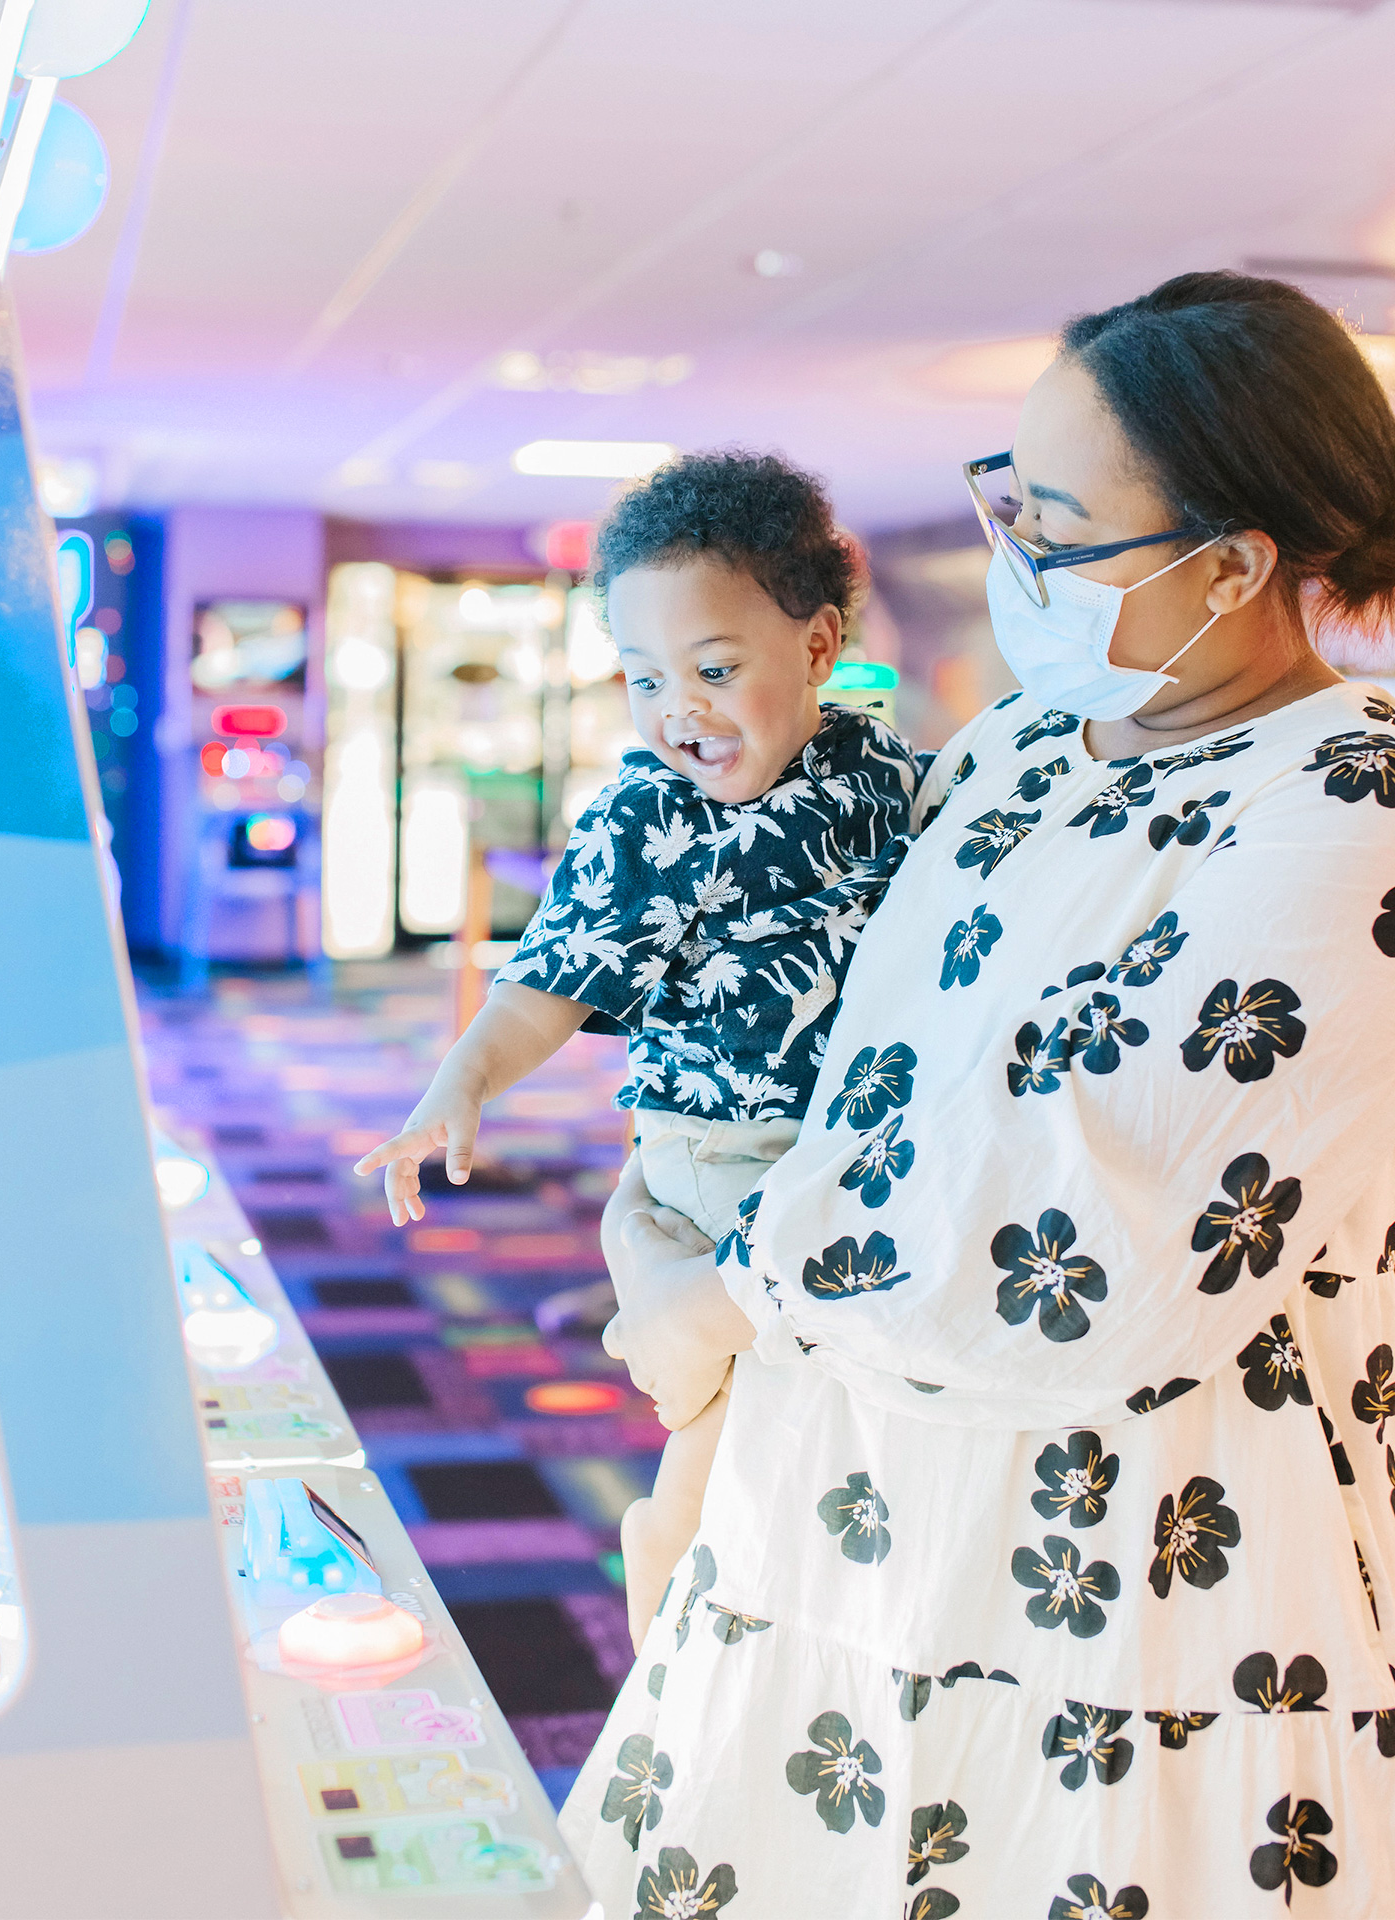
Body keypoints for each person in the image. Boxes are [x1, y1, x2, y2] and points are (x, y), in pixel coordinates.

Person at [562, 270, 1395, 1914]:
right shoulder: (1024, 746)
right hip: (842, 1492)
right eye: (1001, 494)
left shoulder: (1349, 808)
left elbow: (1087, 1242)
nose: (1011, 553)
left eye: (1058, 527)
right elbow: (848, 1040)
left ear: (1232, 568)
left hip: (1120, 1564)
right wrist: (650, 1196)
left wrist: (711, 1284)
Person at [355, 450, 920, 1644]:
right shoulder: (647, 818)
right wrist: (459, 1087)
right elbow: (545, 983)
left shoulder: (880, 774)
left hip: (848, 1145)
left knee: (829, 1410)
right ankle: (668, 1606)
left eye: (715, 669)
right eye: (644, 678)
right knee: (738, 1421)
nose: (680, 711)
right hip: (727, 1148)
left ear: (819, 647)